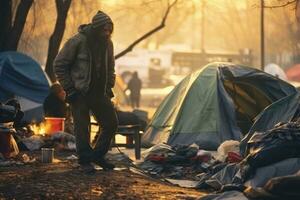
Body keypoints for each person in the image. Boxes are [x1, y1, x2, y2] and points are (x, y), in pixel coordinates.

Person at [54, 10, 118, 173]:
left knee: (111, 123)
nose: (107, 33)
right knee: (82, 128)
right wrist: (69, 88)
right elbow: (59, 64)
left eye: (109, 29)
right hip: (79, 92)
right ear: (96, 28)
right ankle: (84, 161)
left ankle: (97, 155)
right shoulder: (78, 41)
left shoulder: (108, 43)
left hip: (99, 93)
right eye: (104, 29)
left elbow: (110, 67)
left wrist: (109, 84)